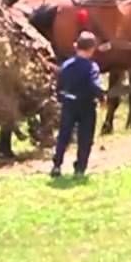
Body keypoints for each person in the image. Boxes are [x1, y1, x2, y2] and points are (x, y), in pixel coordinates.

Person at [51, 31, 106, 178]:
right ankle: (80, 168)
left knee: (64, 135)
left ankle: (57, 165)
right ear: (91, 49)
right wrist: (102, 96)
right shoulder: (92, 67)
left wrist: (62, 98)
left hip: (69, 104)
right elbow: (94, 85)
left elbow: (59, 85)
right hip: (86, 106)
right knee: (85, 138)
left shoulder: (66, 65)